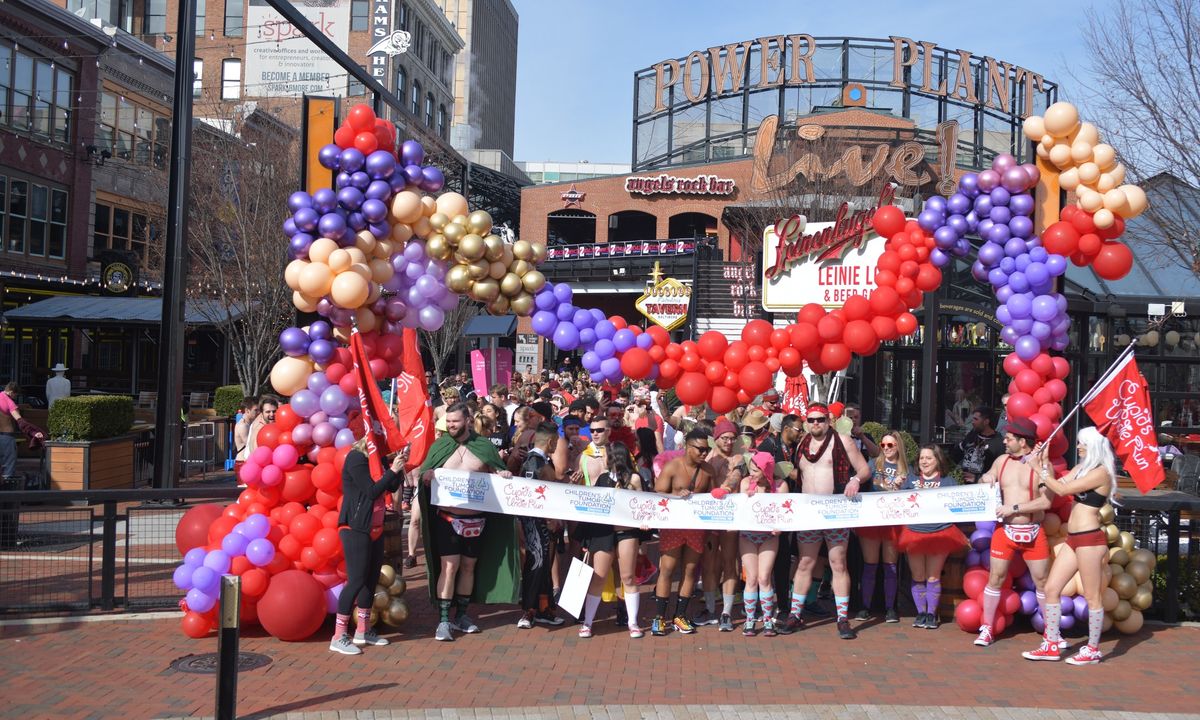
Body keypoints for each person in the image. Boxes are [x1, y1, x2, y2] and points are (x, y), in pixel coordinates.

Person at [418, 402, 518, 642]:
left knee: (469, 567)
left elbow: (497, 471)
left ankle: (462, 615)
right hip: (447, 518)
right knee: (449, 567)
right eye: (448, 421)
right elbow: (423, 473)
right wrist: (427, 475)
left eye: (455, 421)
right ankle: (444, 620)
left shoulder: (483, 446)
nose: (451, 425)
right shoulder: (440, 445)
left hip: (477, 520)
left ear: (468, 420)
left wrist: (502, 474)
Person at [1022, 427, 1118, 665]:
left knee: (1092, 596)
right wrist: (1044, 464)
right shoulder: (1081, 468)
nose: (1077, 447)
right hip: (1073, 540)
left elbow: (1063, 489)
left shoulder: (1101, 473)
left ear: (1092, 444)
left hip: (1090, 539)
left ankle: (1093, 648)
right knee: (1052, 589)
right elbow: (1052, 489)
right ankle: (1051, 644)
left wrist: (1036, 468)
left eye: (1080, 443)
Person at [780, 403, 872, 640]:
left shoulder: (843, 441)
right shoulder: (802, 443)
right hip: (809, 513)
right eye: (810, 420)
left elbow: (864, 469)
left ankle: (842, 618)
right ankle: (795, 614)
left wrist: (854, 481)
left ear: (828, 420)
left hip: (835, 511)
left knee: (838, 563)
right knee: (804, 563)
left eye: (820, 419)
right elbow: (797, 475)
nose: (815, 424)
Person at [974, 416, 1055, 648]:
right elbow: (986, 478)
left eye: (1009, 439)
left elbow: (1045, 502)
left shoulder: (1041, 466)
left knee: (1042, 582)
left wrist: (1015, 508)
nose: (1005, 442)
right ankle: (987, 627)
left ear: (1023, 441)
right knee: (995, 578)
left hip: (1033, 531)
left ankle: (1052, 632)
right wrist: (986, 478)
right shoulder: (1002, 461)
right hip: (1005, 530)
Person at [329, 438, 408, 655]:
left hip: (376, 527)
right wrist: (391, 471)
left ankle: (363, 630)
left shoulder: (378, 458)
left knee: (370, 580)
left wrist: (399, 468)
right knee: (356, 581)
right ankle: (339, 635)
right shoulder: (356, 458)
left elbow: (390, 486)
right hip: (355, 527)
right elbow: (371, 491)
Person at [574, 443, 647, 638]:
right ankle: (588, 623)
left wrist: (644, 522)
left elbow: (644, 505)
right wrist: (586, 540)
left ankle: (633, 623)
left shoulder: (634, 479)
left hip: (627, 532)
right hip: (603, 533)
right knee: (598, 576)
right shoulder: (603, 479)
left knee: (628, 577)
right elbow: (594, 509)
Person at [651, 429, 714, 636]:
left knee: (689, 571)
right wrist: (675, 494)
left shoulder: (708, 470)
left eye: (707, 449)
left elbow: (713, 497)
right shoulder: (673, 466)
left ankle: (679, 616)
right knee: (667, 569)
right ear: (688, 448)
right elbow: (657, 493)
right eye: (701, 449)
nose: (705, 453)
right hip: (674, 525)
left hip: (696, 527)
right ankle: (659, 617)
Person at [898, 445, 968, 629]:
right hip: (913, 533)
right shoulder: (910, 480)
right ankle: (920, 613)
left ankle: (931, 614)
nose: (924, 461)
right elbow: (897, 504)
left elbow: (958, 506)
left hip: (940, 532)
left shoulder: (949, 481)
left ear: (938, 460)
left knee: (933, 576)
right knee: (918, 575)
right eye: (922, 458)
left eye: (929, 458)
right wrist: (896, 487)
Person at [516, 422, 566, 629]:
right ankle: (528, 611)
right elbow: (533, 496)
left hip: (542, 525)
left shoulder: (540, 462)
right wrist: (549, 519)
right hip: (537, 524)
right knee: (536, 564)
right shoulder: (534, 463)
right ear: (551, 441)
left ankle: (544, 609)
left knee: (544, 565)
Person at [855, 430, 909, 623]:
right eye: (883, 445)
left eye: (890, 445)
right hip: (872, 520)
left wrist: (902, 487)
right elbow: (862, 478)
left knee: (890, 566)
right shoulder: (874, 463)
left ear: (898, 447)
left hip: (893, 523)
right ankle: (865, 607)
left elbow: (913, 495)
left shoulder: (906, 470)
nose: (886, 449)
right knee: (870, 565)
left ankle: (890, 608)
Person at [698, 419, 745, 632]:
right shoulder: (707, 457)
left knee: (729, 562)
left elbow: (736, 476)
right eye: (724, 438)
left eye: (731, 438)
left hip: (730, 515)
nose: (728, 442)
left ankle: (726, 611)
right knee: (708, 564)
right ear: (715, 439)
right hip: (709, 515)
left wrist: (725, 488)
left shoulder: (739, 458)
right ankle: (709, 609)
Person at [739, 452, 788, 637]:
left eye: (754, 470)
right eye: (750, 469)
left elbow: (785, 511)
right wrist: (746, 497)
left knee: (764, 577)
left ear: (765, 470)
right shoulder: (746, 483)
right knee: (751, 578)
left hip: (769, 536)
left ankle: (768, 620)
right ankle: (750, 620)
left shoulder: (780, 485)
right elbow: (739, 509)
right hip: (748, 535)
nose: (750, 474)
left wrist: (780, 527)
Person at [953, 407, 1005, 484]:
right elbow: (956, 456)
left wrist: (977, 478)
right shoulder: (972, 435)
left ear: (986, 422)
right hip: (963, 484)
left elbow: (1000, 472)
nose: (972, 422)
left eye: (976, 419)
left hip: (981, 488)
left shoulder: (999, 443)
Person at [0, 381, 24, 478]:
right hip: (7, 436)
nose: (16, 397)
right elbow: (19, 419)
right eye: (16, 394)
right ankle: (7, 489)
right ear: (11, 392)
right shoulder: (10, 402)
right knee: (8, 464)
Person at [233, 397, 259, 463]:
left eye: (259, 410)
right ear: (247, 410)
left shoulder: (251, 423)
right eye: (255, 410)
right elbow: (250, 446)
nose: (258, 412)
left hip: (248, 461)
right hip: (242, 462)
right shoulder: (243, 426)